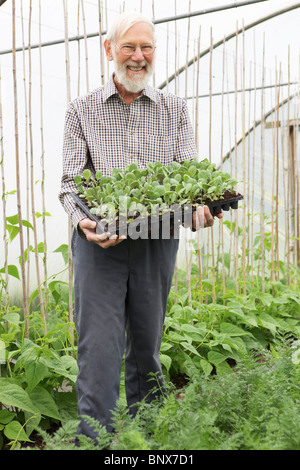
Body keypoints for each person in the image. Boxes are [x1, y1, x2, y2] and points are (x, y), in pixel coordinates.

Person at [59, 11, 222, 443]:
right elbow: (70, 185)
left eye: (146, 47)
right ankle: (94, 442)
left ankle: (146, 442)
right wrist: (84, 223)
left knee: (147, 350)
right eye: (129, 46)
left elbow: (190, 176)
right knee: (99, 353)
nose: (138, 56)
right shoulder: (81, 111)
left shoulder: (174, 110)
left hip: (156, 242)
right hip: (101, 247)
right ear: (110, 50)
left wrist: (201, 209)